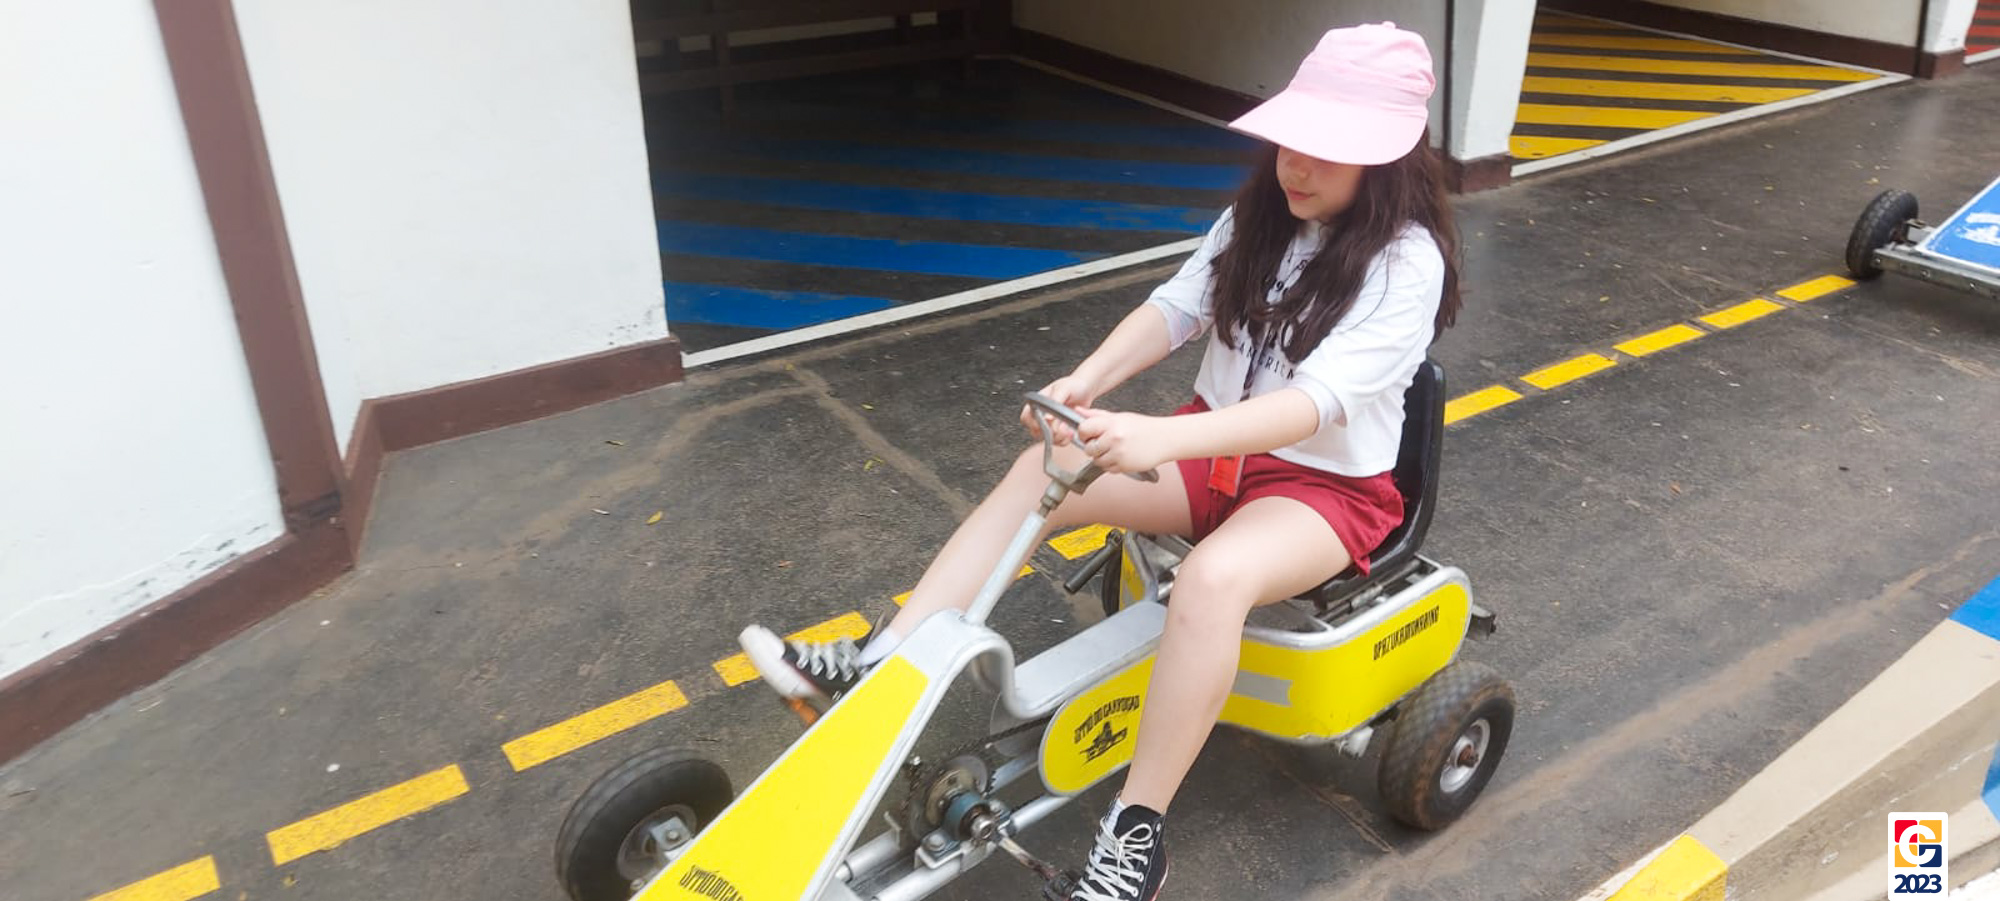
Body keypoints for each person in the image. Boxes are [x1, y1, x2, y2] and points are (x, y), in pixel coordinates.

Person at [738, 22, 1461, 901]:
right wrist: (1085, 382)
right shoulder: (1261, 216)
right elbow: (1177, 309)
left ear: (1385, 158)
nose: (1295, 165)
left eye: (1324, 149)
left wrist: (1161, 437)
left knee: (1213, 581)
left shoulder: (1406, 263)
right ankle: (879, 662)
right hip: (1215, 454)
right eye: (1289, 141)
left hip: (1323, 488)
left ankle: (1136, 835)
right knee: (1043, 468)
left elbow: (1315, 404)